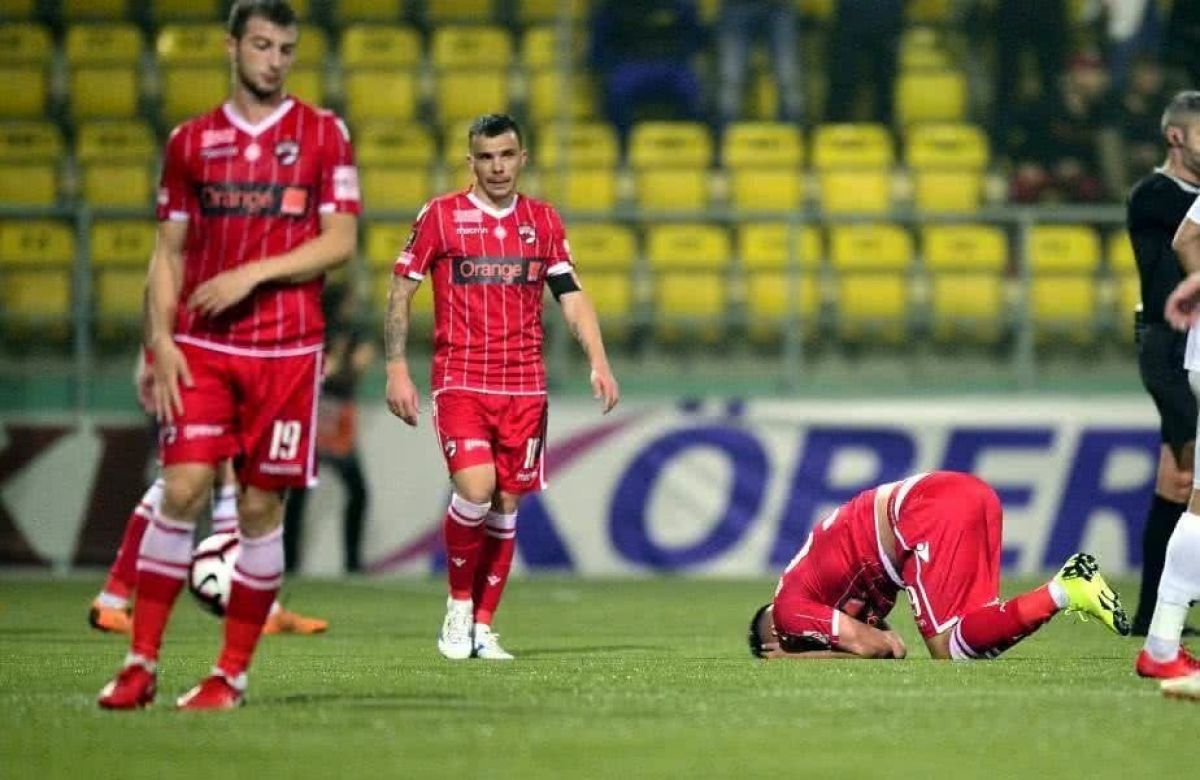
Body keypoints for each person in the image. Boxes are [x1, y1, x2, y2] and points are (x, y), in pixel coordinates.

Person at [97, 0, 359, 711]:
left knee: (258, 508)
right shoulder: (190, 141)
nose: (274, 61)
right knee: (182, 487)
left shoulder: (323, 134)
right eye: (262, 45)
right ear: (231, 47)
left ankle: (229, 677)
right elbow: (167, 252)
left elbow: (340, 240)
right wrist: (158, 340)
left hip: (287, 348)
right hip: (204, 346)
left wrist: (253, 274)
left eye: (286, 49)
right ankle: (139, 664)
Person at [385, 113, 619, 661]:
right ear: (470, 161)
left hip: (525, 386)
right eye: (486, 157)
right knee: (476, 488)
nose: (497, 167)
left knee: (506, 504)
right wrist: (396, 367)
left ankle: (483, 626)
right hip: (461, 379)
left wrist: (599, 361)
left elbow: (571, 295)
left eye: (506, 155)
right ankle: (458, 606)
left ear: (522, 158)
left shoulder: (543, 221)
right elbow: (401, 291)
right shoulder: (440, 216)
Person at [746, 471, 1130, 662]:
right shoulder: (815, 592)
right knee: (975, 628)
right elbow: (893, 647)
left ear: (774, 638)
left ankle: (1066, 589)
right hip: (962, 493)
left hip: (924, 512)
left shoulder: (790, 612)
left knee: (949, 648)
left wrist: (795, 659)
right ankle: (1066, 589)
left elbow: (874, 645)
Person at [89, 353, 328, 636]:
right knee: (189, 474)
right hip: (198, 357)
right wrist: (155, 354)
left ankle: (256, 607)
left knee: (222, 466)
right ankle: (113, 598)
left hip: (232, 355)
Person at [1125, 91, 1200, 639]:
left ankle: (1155, 611)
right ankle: (1163, 607)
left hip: (1184, 344)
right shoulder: (1153, 195)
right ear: (1176, 136)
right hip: (1167, 345)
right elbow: (1183, 240)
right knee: (1190, 479)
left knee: (1177, 481)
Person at [282, 283, 374, 574]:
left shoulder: (336, 333)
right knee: (306, 492)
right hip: (320, 414)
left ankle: (341, 561)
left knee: (342, 491)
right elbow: (336, 370)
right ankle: (342, 562)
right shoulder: (326, 333)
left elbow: (342, 371)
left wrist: (338, 365)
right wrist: (341, 363)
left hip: (328, 413)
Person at [588, 0, 706, 144]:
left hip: (672, 64)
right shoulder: (614, 6)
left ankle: (685, 144)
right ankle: (622, 147)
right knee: (618, 88)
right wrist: (612, 63)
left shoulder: (681, 5)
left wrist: (681, 53)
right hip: (630, 64)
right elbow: (599, 47)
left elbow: (695, 37)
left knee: (689, 87)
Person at [717, 0, 802, 127]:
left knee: (788, 76)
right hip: (736, 6)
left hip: (779, 8)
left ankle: (793, 131)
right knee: (730, 77)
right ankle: (726, 130)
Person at [824, 0, 903, 125]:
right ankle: (834, 127)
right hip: (850, 18)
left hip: (886, 20)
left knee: (884, 84)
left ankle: (884, 128)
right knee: (843, 81)